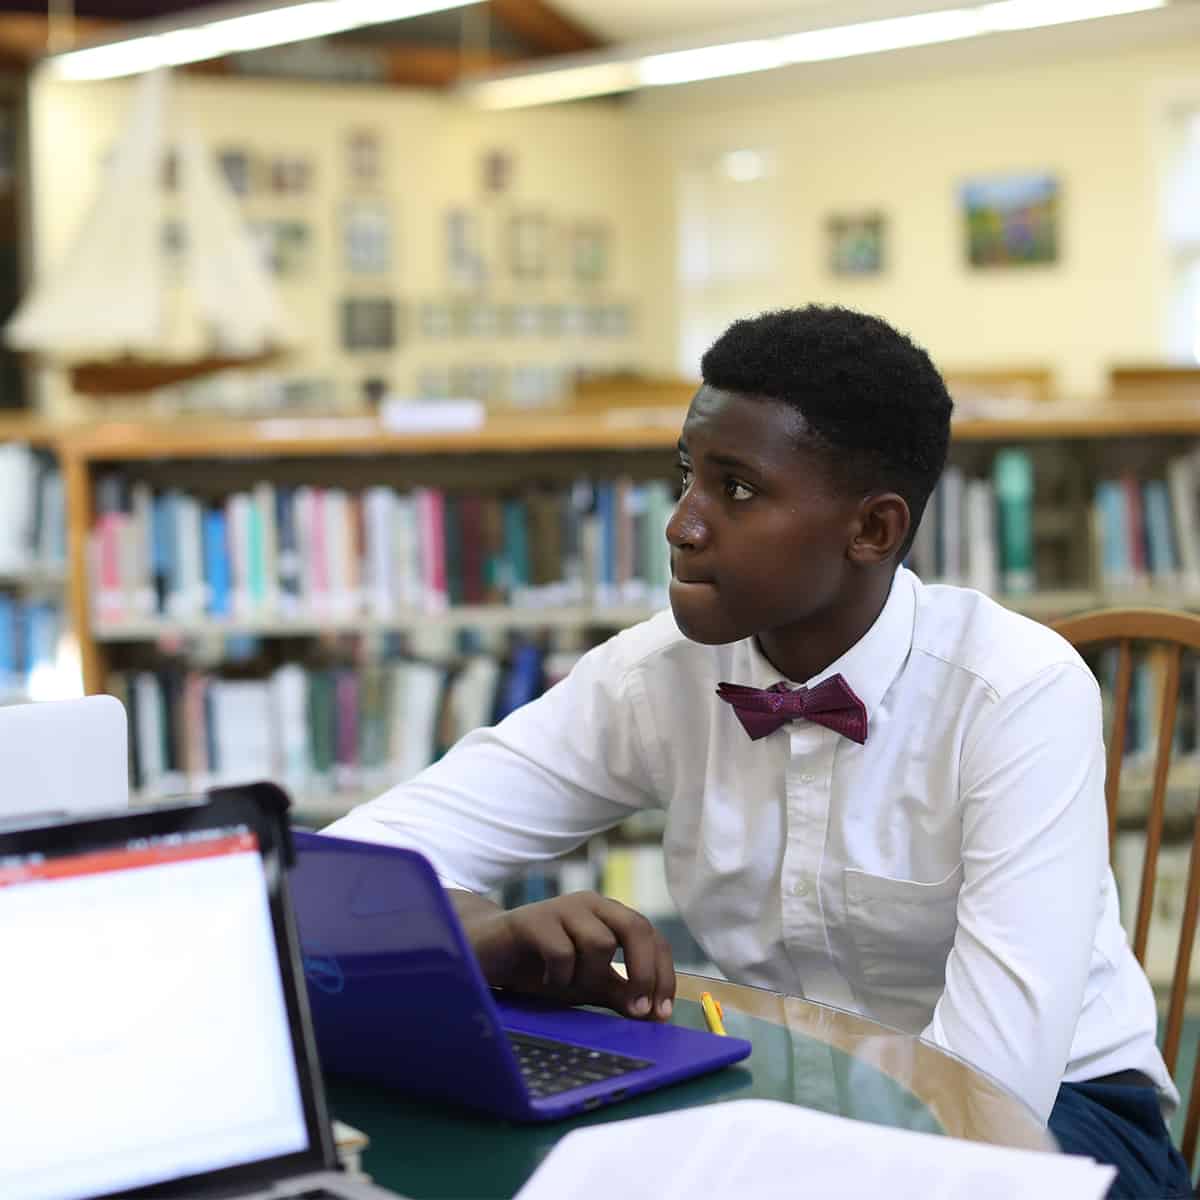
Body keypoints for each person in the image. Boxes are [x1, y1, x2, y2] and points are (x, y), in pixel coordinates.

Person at [326, 305, 1189, 1198]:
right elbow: (347, 867)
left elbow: (988, 1093)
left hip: (1052, 1117)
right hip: (782, 1087)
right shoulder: (655, 673)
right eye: (685, 477)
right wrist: (479, 933)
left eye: (736, 489)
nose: (681, 525)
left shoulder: (1016, 693)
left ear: (874, 531)